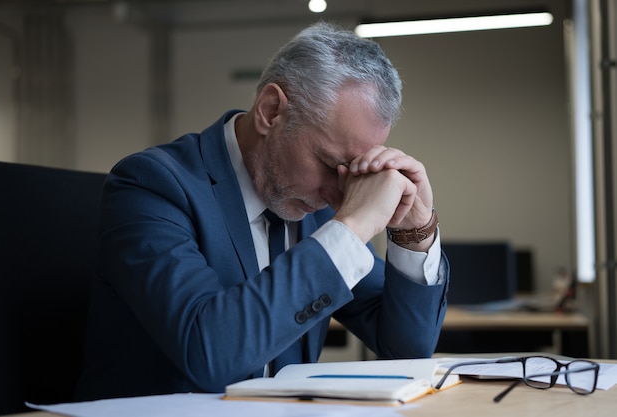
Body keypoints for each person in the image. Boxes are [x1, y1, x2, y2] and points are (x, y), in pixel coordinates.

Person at [75, 22, 449, 401]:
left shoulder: (319, 202)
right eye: (329, 162)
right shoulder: (152, 185)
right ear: (271, 112)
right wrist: (353, 225)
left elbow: (406, 349)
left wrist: (413, 231)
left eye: (354, 172)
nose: (340, 193)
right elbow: (209, 353)